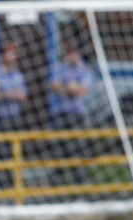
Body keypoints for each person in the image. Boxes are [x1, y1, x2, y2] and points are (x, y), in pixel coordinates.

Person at [48, 40, 94, 184]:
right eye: (67, 52)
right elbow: (54, 86)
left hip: (76, 116)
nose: (69, 55)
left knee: (77, 153)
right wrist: (69, 88)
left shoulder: (85, 70)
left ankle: (79, 189)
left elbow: (81, 90)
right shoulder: (60, 68)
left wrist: (68, 89)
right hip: (60, 115)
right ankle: (56, 188)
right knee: (58, 153)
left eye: (72, 52)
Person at [0, 42, 27, 188]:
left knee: (14, 153)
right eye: (9, 53)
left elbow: (22, 95)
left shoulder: (17, 74)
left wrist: (6, 94)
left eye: (14, 53)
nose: (12, 56)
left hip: (14, 118)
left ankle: (14, 186)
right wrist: (9, 94)